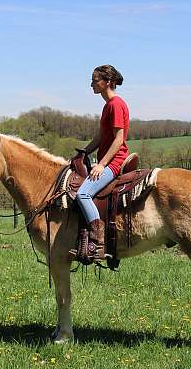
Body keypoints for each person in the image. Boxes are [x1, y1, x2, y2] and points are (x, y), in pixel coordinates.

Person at [75, 64, 129, 261]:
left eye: (95, 80)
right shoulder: (108, 105)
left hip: (114, 162)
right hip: (108, 160)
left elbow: (118, 139)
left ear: (107, 82)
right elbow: (101, 137)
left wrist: (102, 164)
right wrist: (84, 152)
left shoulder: (115, 104)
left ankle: (98, 242)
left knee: (83, 194)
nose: (91, 85)